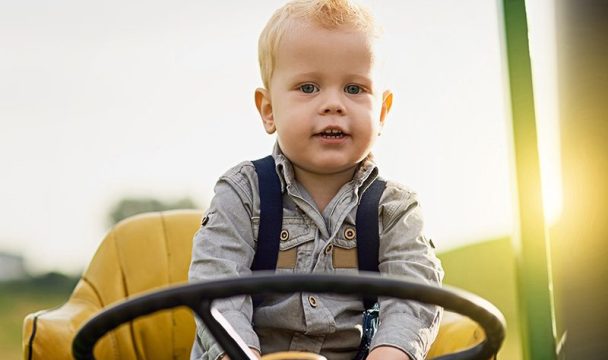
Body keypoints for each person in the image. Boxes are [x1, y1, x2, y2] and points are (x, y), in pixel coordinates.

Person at [189, 0, 443, 359]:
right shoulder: (242, 194)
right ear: (269, 110)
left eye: (354, 89)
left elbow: (413, 298)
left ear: (382, 112)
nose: (333, 104)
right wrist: (239, 353)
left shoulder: (396, 209)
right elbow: (218, 288)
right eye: (308, 88)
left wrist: (390, 354)